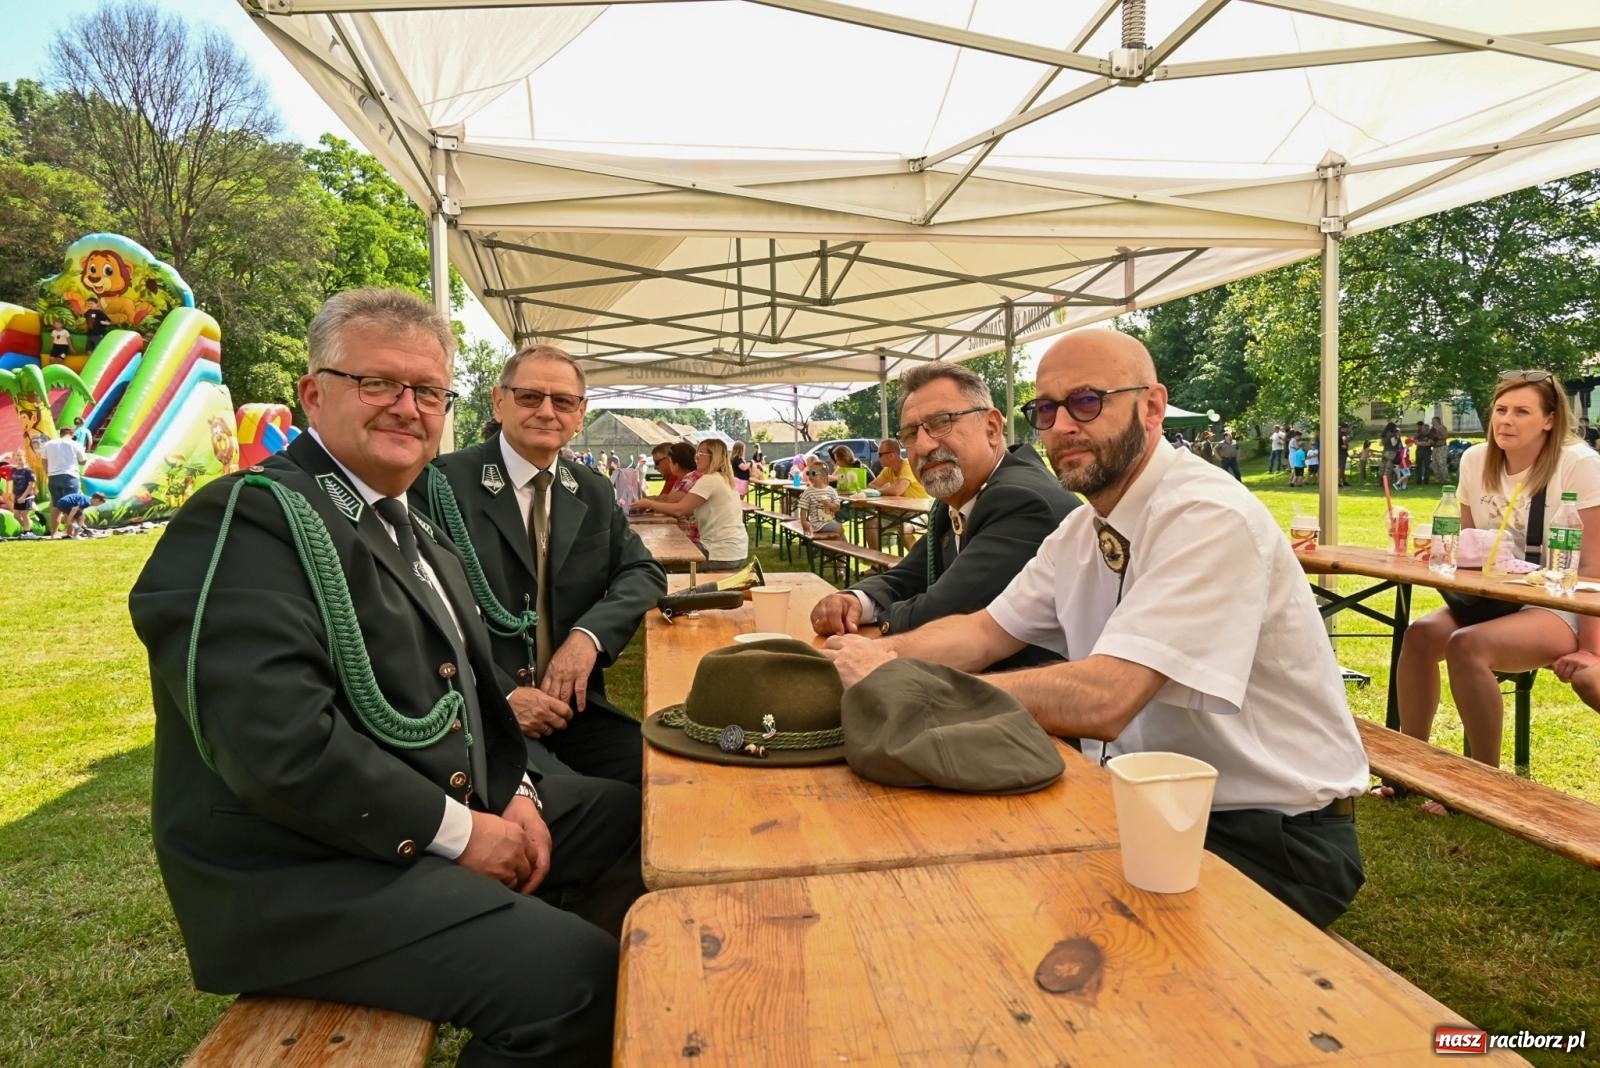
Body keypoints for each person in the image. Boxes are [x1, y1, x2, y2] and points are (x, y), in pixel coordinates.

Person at [128, 288, 643, 1064]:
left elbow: (471, 699)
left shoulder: (411, 524)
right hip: (307, 873)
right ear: (314, 393)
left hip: (429, 813)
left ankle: (526, 948)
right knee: (579, 981)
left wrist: (522, 795)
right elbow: (280, 748)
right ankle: (546, 986)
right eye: (378, 384)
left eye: (428, 391)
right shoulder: (249, 518)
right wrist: (470, 835)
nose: (408, 407)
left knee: (628, 823)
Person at [823, 330, 1367, 928]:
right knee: (954, 901)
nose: (1061, 427)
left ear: (1153, 407)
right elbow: (982, 633)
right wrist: (869, 655)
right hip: (1143, 804)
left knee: (1014, 937)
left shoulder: (1207, 515)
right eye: (1047, 410)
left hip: (1269, 835)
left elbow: (1107, 698)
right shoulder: (1083, 531)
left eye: (1087, 402)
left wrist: (904, 679)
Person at [421, 343, 667, 787]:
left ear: (580, 413)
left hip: (572, 709)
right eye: (530, 397)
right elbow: (423, 615)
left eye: (563, 401)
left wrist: (587, 638)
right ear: (499, 401)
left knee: (664, 783)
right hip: (483, 715)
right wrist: (505, 694)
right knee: (595, 812)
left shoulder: (589, 489)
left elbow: (643, 572)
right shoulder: (440, 485)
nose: (547, 412)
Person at [1390, 370, 1600, 810]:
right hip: (1496, 598)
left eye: (1522, 411)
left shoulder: (1579, 464)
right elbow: (1467, 548)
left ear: (1549, 419)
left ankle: (1479, 786)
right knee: (1420, 635)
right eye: (1501, 410)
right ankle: (1409, 767)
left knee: (1467, 645)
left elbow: (1595, 566)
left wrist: (1593, 649)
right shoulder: (1475, 460)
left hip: (1562, 602)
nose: (1506, 420)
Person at [807, 363, 1077, 669]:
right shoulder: (960, 497)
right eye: (911, 433)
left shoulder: (1021, 501)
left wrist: (870, 620)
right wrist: (856, 600)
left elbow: (942, 611)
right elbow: (912, 574)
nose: (923, 445)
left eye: (942, 422)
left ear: (992, 427)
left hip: (1032, 702)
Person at [632, 438, 748, 567]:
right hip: (734, 550)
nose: (696, 457)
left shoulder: (709, 480)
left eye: (701, 454)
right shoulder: (723, 478)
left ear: (713, 456)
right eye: (696, 453)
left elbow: (679, 509)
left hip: (719, 553)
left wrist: (649, 504)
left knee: (657, 563)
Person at [861, 437, 929, 549]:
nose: (878, 458)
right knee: (870, 524)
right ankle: (878, 565)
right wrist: (886, 490)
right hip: (900, 511)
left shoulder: (908, 465)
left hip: (921, 511)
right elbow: (871, 486)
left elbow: (897, 490)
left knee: (904, 528)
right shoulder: (888, 469)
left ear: (891, 455)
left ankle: (918, 564)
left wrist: (880, 491)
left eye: (880, 454)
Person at [40, 426, 86, 536]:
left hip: (54, 477)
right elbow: (83, 461)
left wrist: (48, 473)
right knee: (72, 505)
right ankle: (69, 533)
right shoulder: (75, 444)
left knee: (56, 506)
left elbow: (43, 460)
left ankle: (54, 533)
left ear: (60, 434)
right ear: (72, 434)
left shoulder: (49, 444)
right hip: (70, 477)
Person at [796, 462, 843, 536]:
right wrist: (804, 523)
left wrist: (829, 505)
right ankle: (841, 546)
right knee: (839, 528)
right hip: (817, 525)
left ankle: (838, 546)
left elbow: (837, 507)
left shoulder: (831, 490)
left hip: (829, 521)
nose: (810, 476)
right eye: (808, 473)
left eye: (813, 473)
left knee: (839, 528)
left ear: (823, 476)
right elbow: (803, 509)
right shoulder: (808, 492)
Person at [10, 454, 36, 534]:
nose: (19, 461)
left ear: (25, 459)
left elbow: (31, 484)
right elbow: (13, 483)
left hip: (27, 496)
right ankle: (28, 529)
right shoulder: (13, 470)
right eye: (17, 459)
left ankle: (27, 532)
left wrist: (23, 497)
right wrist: (13, 494)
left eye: (20, 459)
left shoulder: (28, 471)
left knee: (24, 514)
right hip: (17, 496)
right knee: (16, 515)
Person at [1430, 416, 1451, 481]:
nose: (1432, 422)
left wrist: (1437, 437)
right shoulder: (1432, 429)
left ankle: (1446, 479)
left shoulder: (1442, 427)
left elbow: (1446, 436)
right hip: (1435, 447)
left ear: (1438, 421)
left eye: (1434, 421)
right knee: (1434, 463)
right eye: (1432, 421)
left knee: (1441, 463)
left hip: (1442, 447)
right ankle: (1438, 478)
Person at [1414, 421, 1433, 486]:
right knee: (1418, 466)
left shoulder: (1430, 435)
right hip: (1419, 451)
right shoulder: (1418, 434)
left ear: (1428, 429)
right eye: (1423, 428)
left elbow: (1429, 443)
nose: (1424, 430)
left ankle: (1426, 480)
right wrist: (1424, 443)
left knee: (1427, 466)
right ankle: (1418, 480)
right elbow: (1416, 442)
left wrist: (1421, 443)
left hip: (1427, 452)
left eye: (1426, 429)